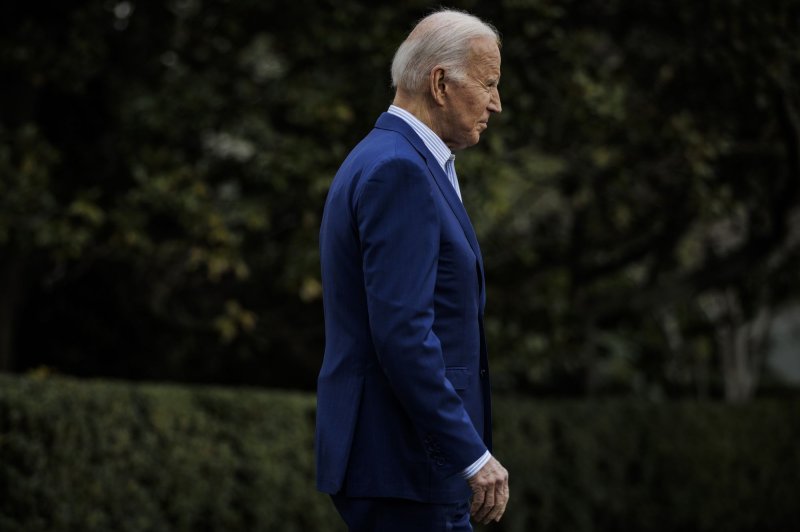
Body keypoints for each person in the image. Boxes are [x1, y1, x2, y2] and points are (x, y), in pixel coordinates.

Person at [316, 8, 509, 531]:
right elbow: (403, 334)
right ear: (441, 83)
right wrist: (471, 454)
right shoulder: (399, 169)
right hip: (406, 465)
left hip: (400, 465)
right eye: (489, 83)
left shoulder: (382, 157)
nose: (496, 101)